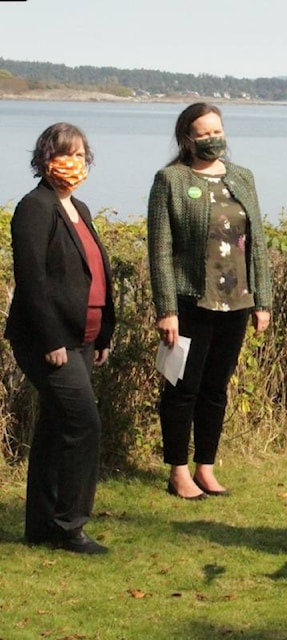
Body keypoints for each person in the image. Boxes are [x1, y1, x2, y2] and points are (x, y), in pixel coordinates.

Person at [148, 103, 273, 500]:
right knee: (182, 387)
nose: (212, 138)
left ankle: (206, 467)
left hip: (236, 301)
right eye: (202, 133)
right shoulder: (171, 180)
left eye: (216, 130)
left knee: (216, 388)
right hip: (189, 302)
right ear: (187, 137)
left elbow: (257, 244)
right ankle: (178, 471)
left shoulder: (242, 177)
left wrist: (262, 301)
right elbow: (160, 249)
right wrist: (166, 309)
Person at [6, 123, 115, 554]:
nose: (71, 162)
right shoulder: (35, 207)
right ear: (44, 158)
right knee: (83, 425)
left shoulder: (80, 208)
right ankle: (71, 527)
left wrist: (104, 331)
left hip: (84, 338)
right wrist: (51, 339)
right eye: (62, 153)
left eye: (79, 154)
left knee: (55, 429)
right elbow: (32, 281)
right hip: (49, 342)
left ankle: (41, 526)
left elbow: (95, 273)